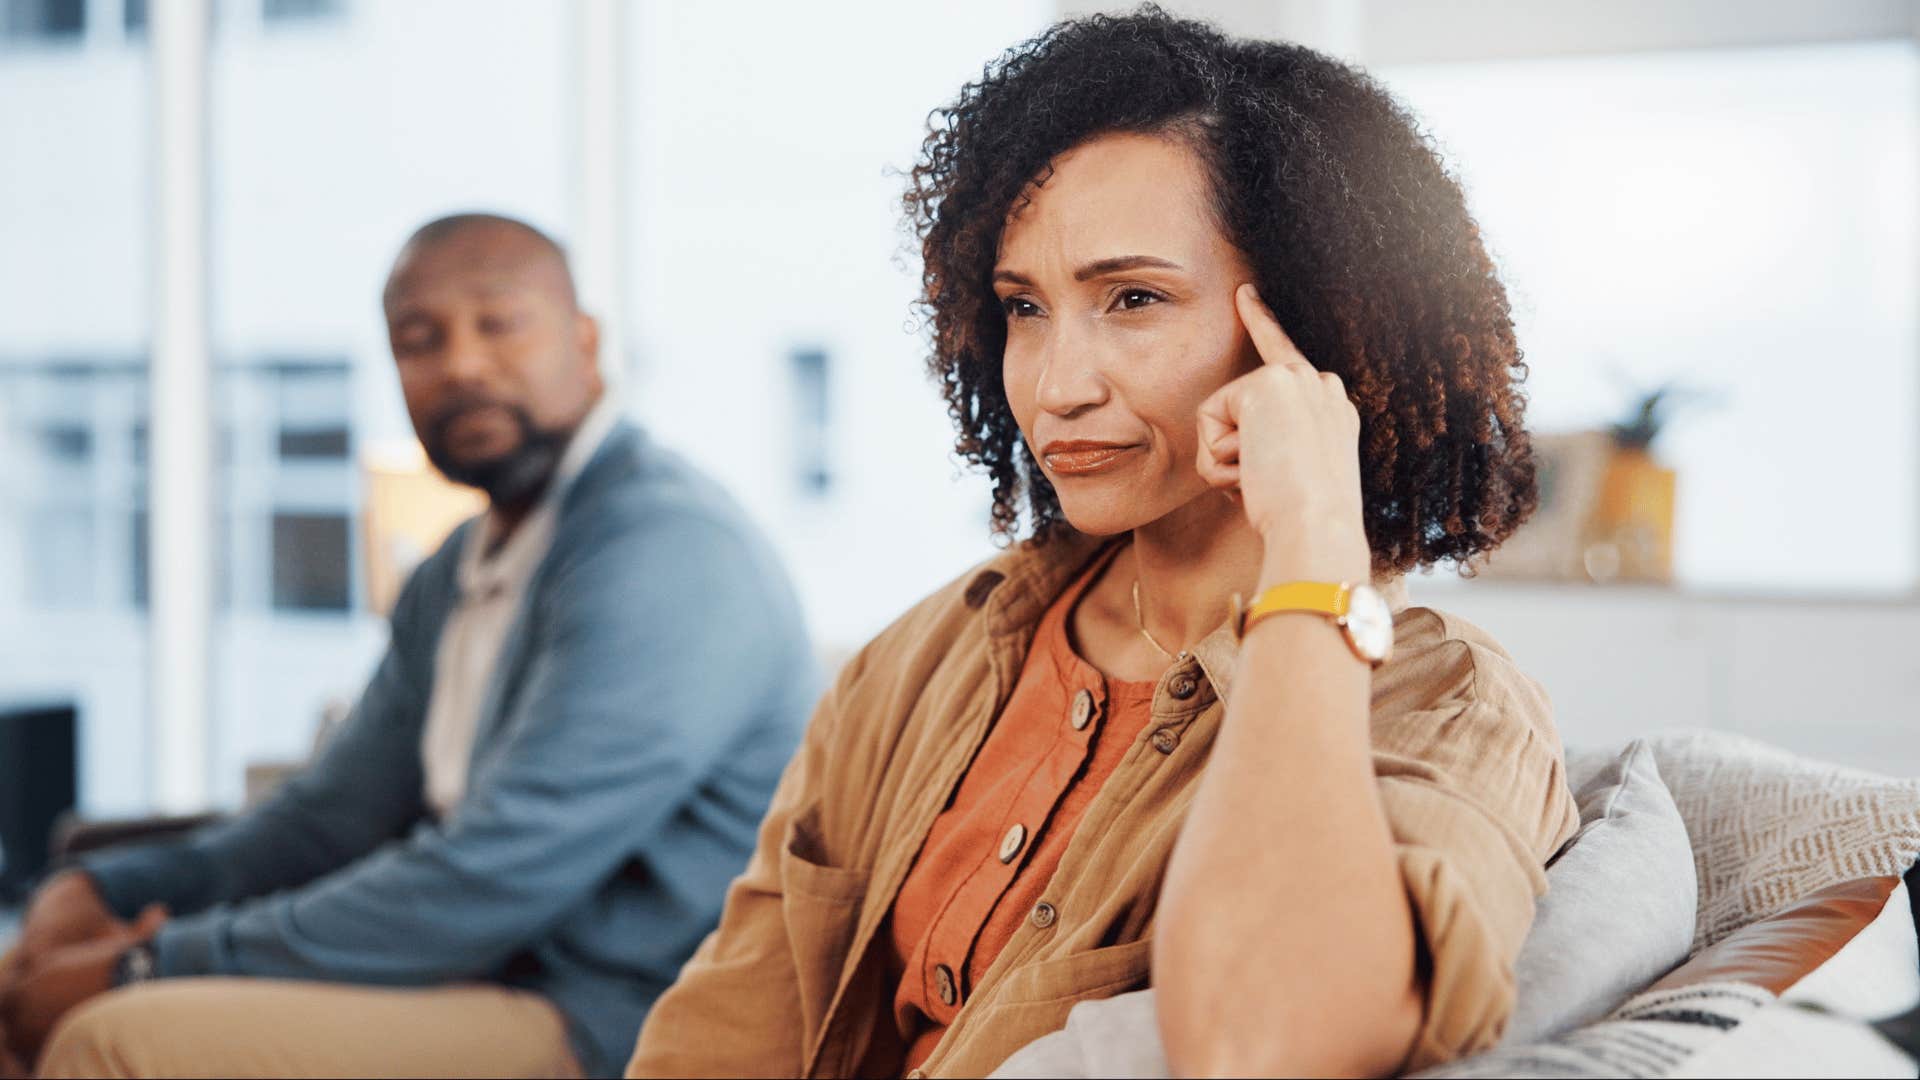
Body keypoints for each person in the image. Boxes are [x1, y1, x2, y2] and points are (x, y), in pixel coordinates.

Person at [627, 9, 1581, 1079]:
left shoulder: (1444, 705)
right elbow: (722, 1034)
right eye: (1025, 308)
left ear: (1314, 329)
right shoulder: (929, 655)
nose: (1054, 386)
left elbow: (1279, 1045)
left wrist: (1315, 543)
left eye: (1133, 298)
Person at [0, 213, 818, 1079]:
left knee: (110, 1041)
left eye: (498, 323)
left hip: (617, 1015)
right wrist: (106, 891)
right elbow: (327, 819)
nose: (460, 363)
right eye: (417, 340)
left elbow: (495, 875)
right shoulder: (459, 568)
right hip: (480, 972)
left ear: (585, 343)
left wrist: (147, 964)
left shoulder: (665, 547)